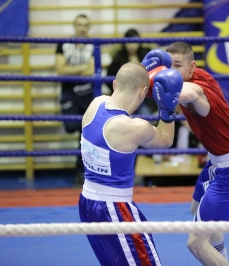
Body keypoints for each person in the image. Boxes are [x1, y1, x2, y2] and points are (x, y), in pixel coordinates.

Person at [78, 61, 183, 265]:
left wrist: (138, 73)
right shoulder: (133, 127)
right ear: (144, 92)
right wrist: (167, 107)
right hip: (115, 208)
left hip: (87, 202)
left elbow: (127, 83)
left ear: (115, 83)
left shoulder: (95, 104)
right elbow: (165, 140)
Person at [163, 42, 229, 266]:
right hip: (217, 164)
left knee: (195, 242)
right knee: (196, 210)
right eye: (168, 66)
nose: (171, 71)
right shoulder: (191, 75)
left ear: (192, 67)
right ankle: (221, 258)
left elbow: (187, 93)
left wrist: (148, 80)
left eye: (177, 65)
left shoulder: (197, 89)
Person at [55, 14, 95, 184]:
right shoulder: (63, 44)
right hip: (69, 92)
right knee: (72, 126)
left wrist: (71, 69)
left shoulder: (93, 45)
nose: (82, 28)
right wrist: (82, 69)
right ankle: (81, 169)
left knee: (86, 133)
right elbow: (60, 69)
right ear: (74, 26)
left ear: (88, 27)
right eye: (79, 24)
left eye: (85, 25)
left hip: (88, 93)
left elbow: (92, 70)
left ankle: (81, 171)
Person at [106, 28, 157, 115]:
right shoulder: (118, 57)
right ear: (125, 43)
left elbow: (155, 73)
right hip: (125, 96)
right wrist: (120, 90)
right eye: (129, 42)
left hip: (144, 97)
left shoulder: (146, 54)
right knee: (124, 120)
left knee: (146, 118)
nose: (132, 45)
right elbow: (109, 77)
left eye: (134, 42)